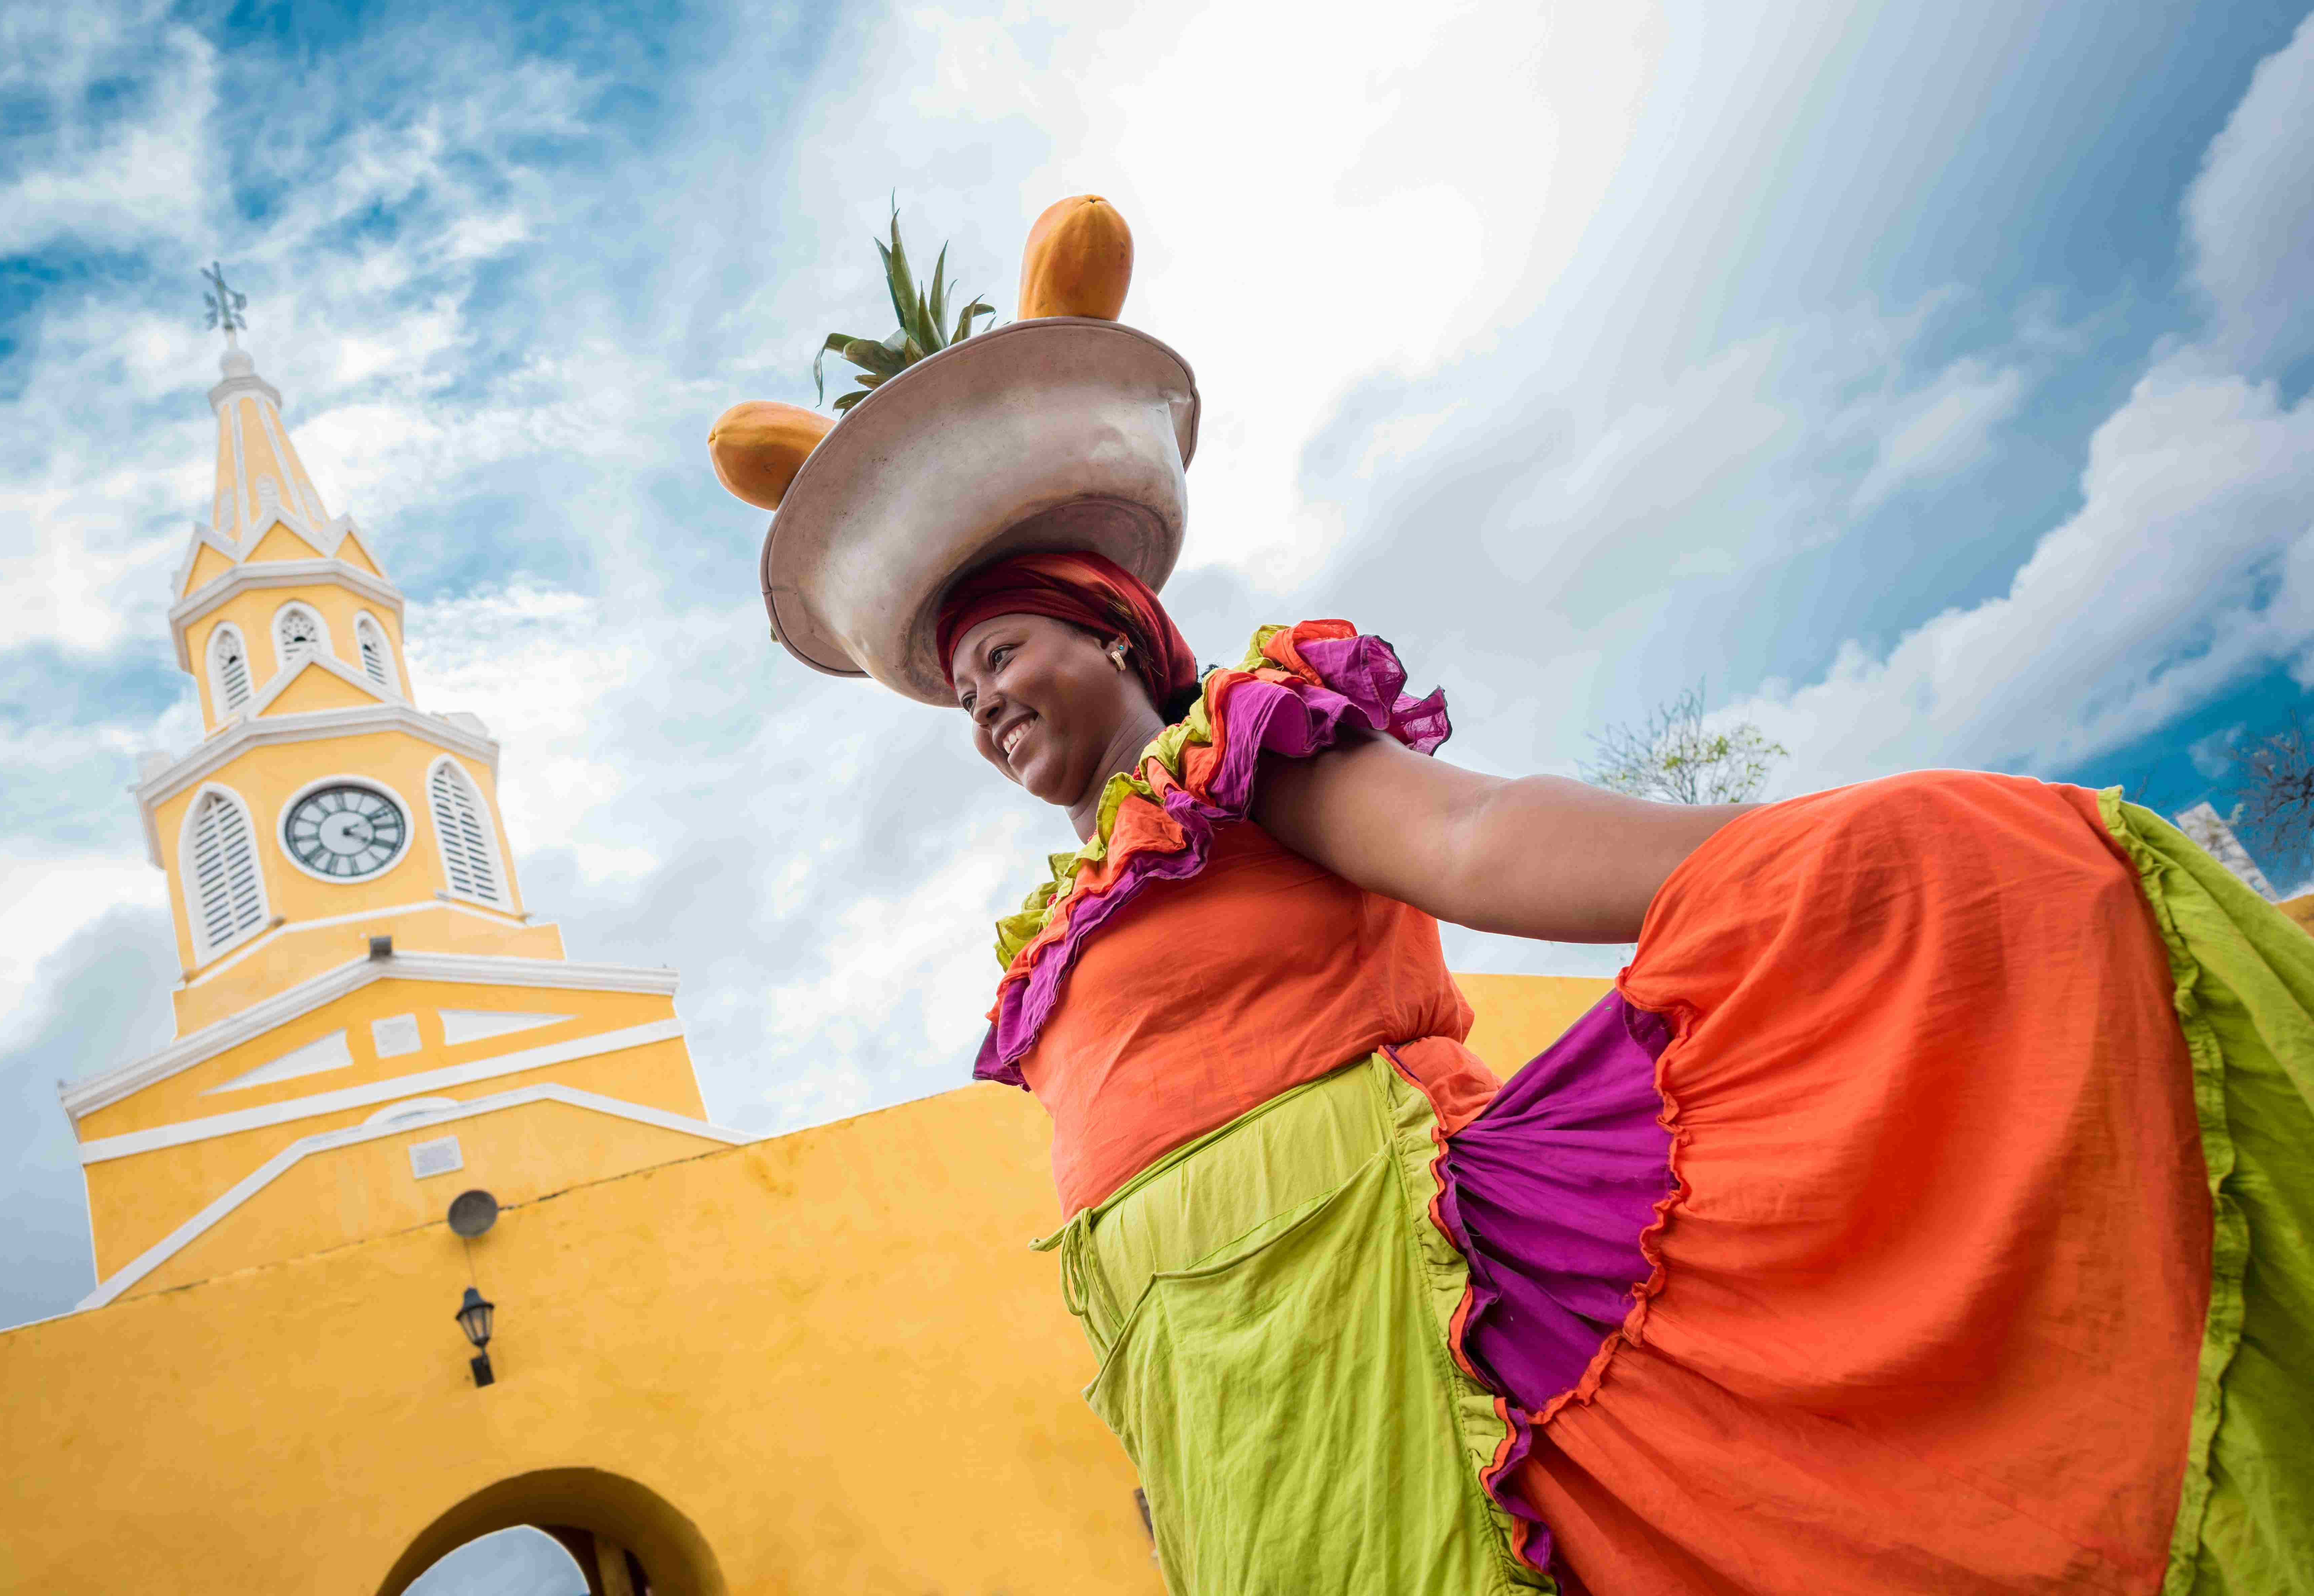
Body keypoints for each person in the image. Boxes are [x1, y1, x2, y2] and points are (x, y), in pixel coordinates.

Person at [927, 549, 2314, 1596]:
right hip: (1221, 1405)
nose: (983, 701)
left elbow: (1472, 837)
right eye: (962, 693)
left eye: (1000, 651)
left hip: (1399, 1293)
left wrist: (1784, 857)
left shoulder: (1233, 760)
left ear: (1113, 631)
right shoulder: (1053, 933)